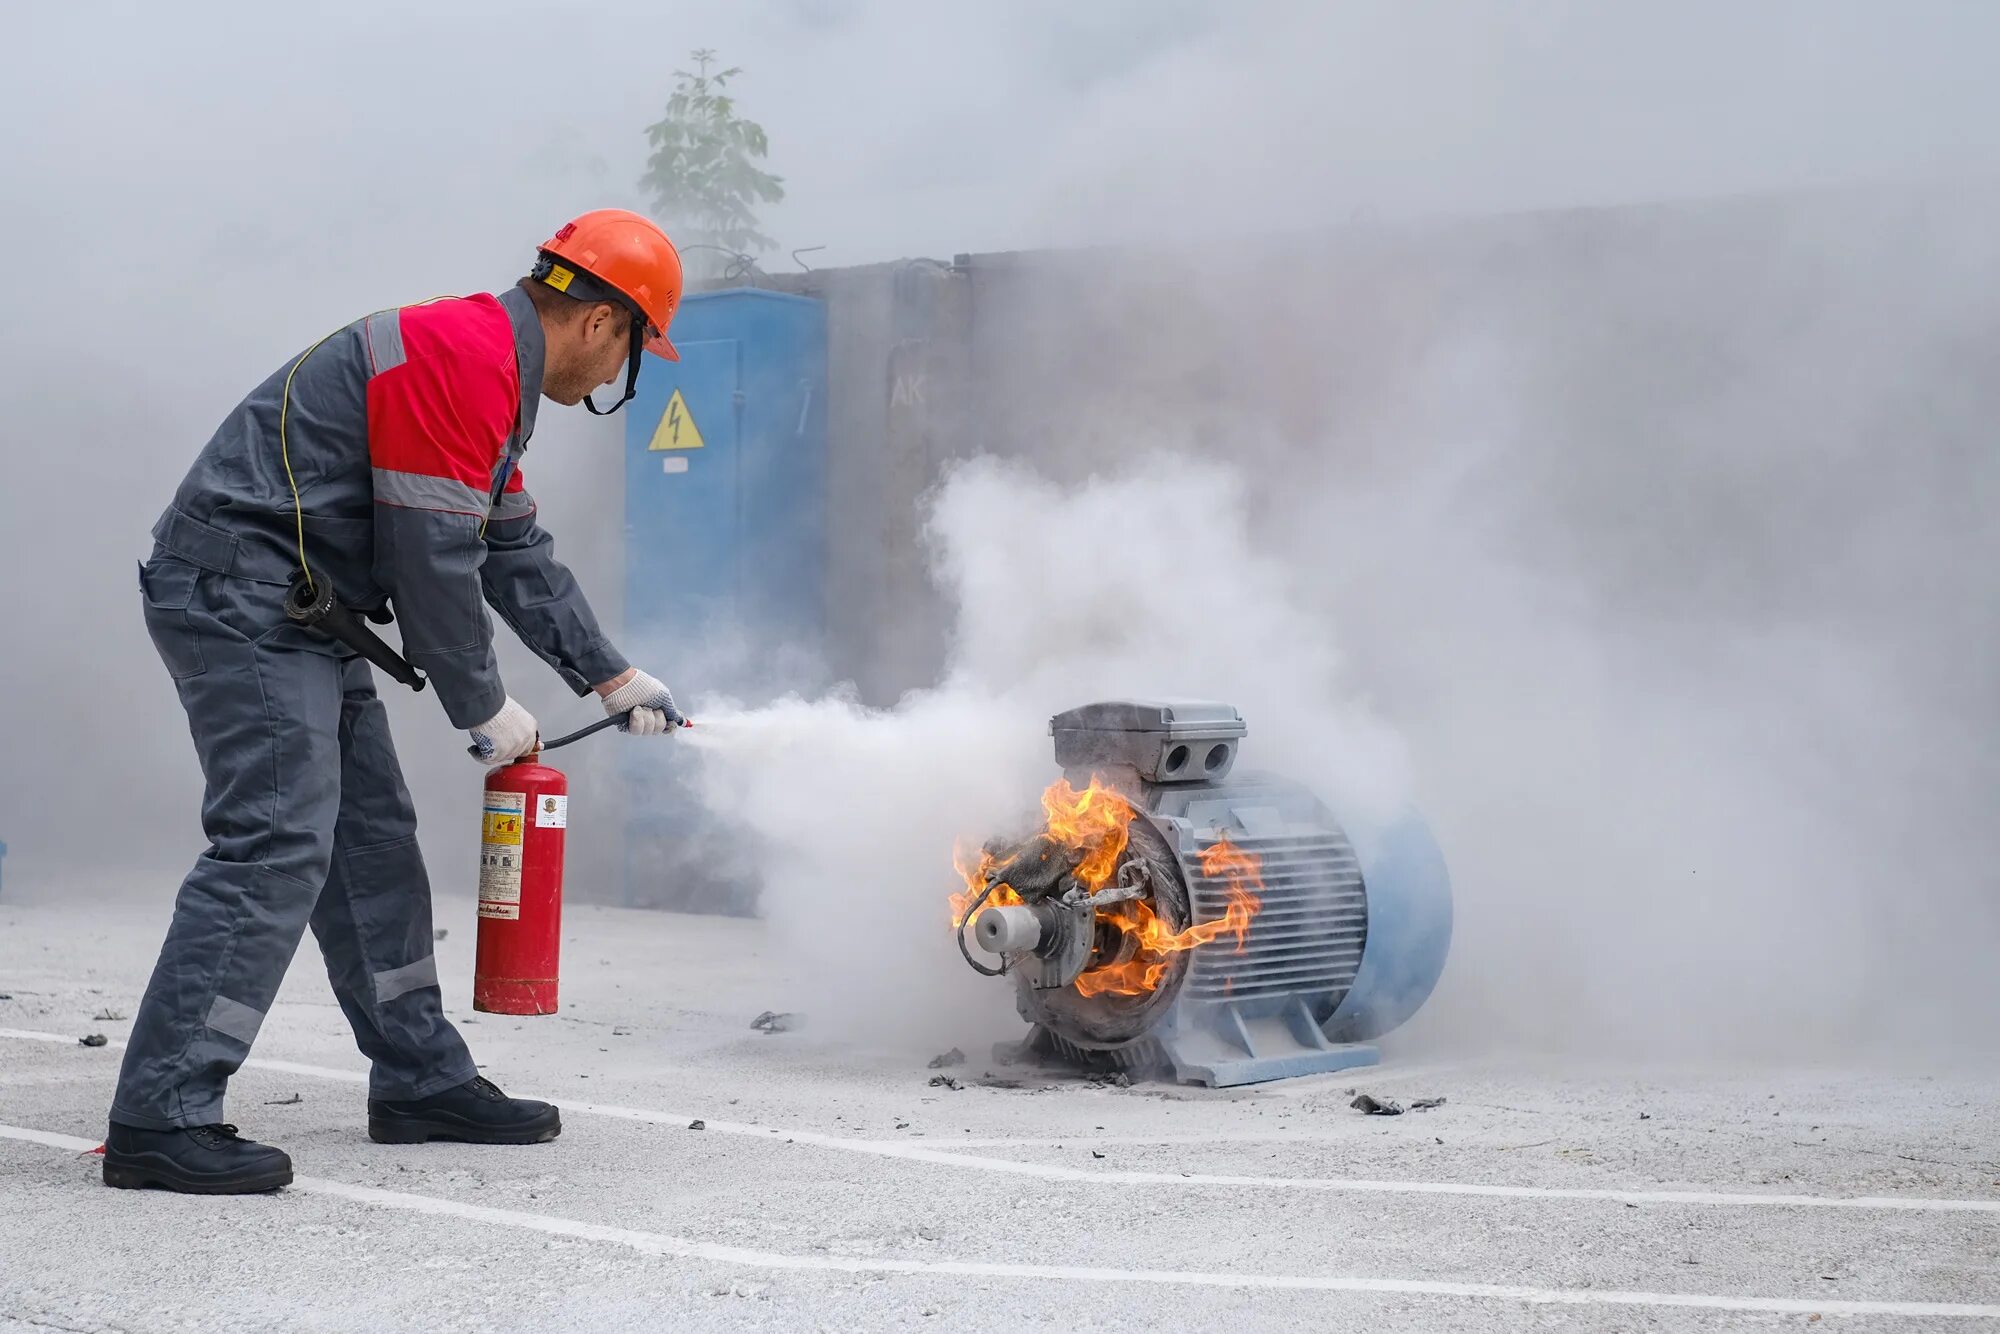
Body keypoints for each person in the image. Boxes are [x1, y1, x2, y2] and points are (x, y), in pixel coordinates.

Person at [105, 210, 686, 1194]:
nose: (616, 371)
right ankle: (162, 1112)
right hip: (240, 592)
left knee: (370, 837)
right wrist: (482, 702)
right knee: (277, 836)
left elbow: (509, 548)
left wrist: (609, 673)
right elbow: (429, 555)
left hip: (298, 607)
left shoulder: (489, 373)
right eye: (633, 346)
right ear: (602, 323)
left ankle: (420, 1077)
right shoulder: (464, 361)